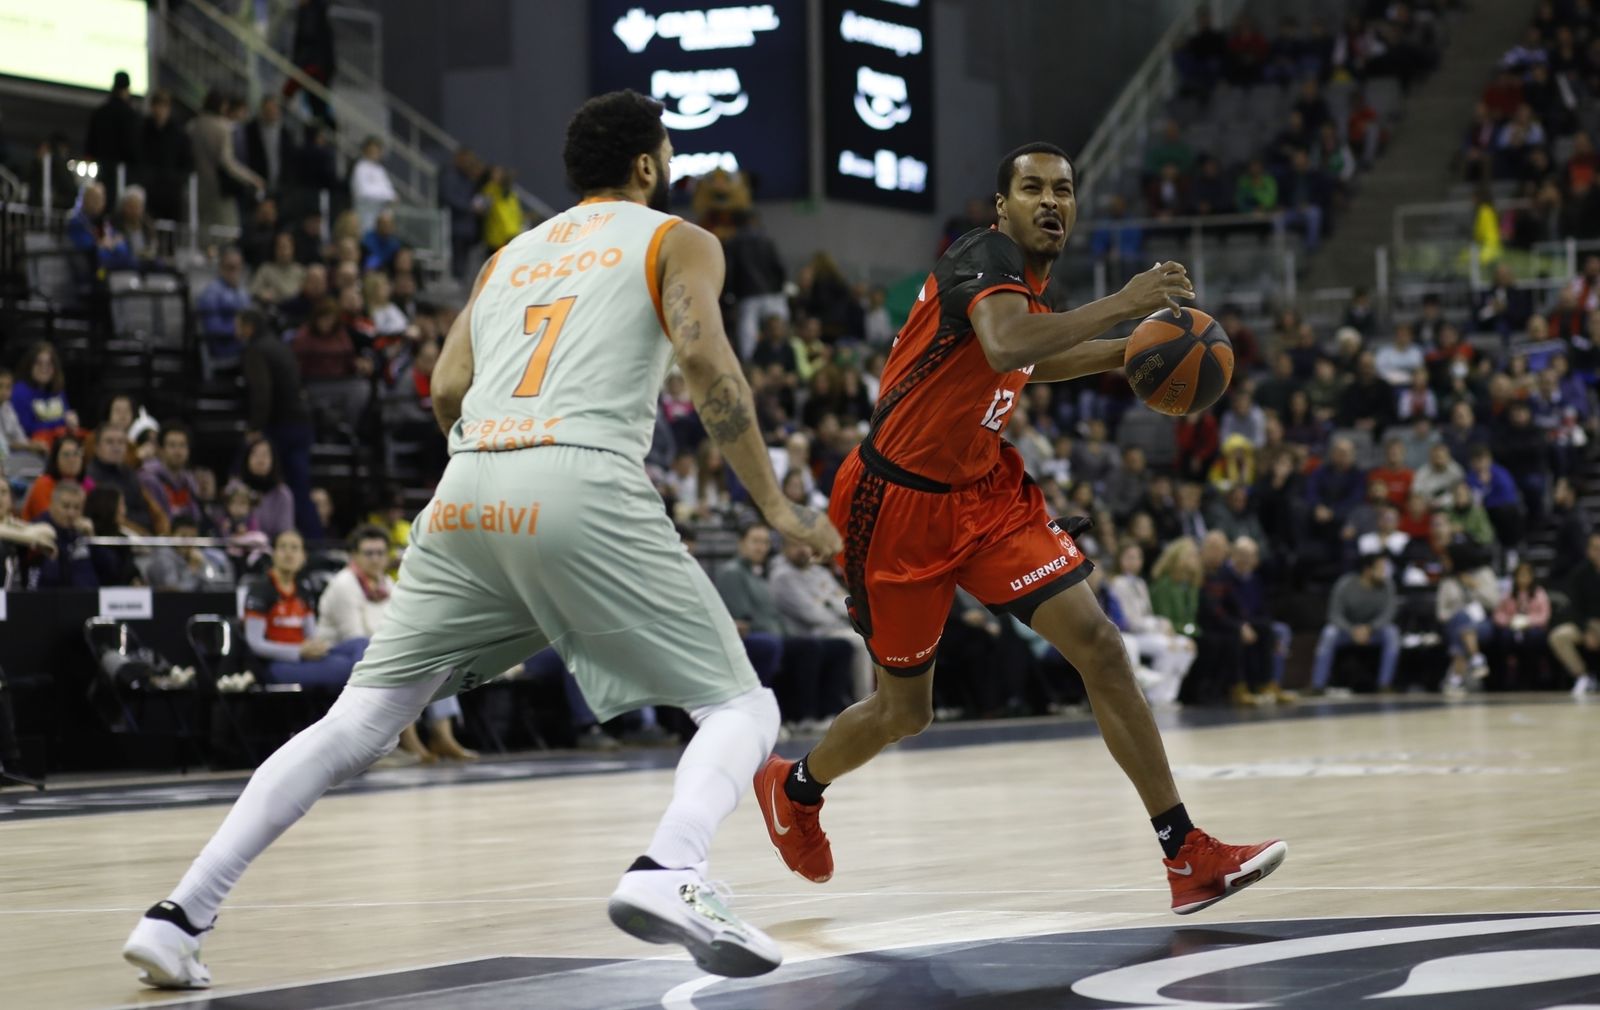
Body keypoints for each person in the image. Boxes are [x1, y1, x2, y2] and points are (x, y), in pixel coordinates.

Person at [123, 90, 844, 987]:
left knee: (358, 722)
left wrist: (504, 455)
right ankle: (674, 869)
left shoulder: (506, 257)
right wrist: (776, 504)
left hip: (468, 487)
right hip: (579, 478)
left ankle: (178, 914)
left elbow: (443, 387)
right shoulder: (677, 239)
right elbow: (705, 362)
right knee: (743, 709)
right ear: (649, 167)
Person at [756, 144, 1285, 913]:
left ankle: (1185, 853)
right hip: (896, 507)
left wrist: (1136, 358)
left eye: (1062, 190)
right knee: (905, 711)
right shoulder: (984, 254)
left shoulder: (1028, 282)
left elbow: (1029, 364)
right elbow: (1007, 343)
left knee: (1100, 645)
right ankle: (795, 788)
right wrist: (1128, 306)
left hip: (984, 492)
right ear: (1001, 205)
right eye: (1032, 187)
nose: (1050, 200)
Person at [315, 525, 477, 762]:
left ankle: (442, 736)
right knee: (403, 661)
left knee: (435, 657)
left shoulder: (387, 584)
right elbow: (354, 636)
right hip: (340, 654)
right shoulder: (344, 584)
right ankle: (409, 739)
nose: (375, 559)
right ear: (355, 556)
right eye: (369, 553)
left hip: (378, 648)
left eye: (380, 553)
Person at [239, 310, 319, 539]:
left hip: (282, 425)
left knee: (275, 483)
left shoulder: (256, 349)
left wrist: (255, 427)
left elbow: (262, 392)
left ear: (248, 327)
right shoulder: (280, 345)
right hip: (302, 423)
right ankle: (313, 540)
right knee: (300, 488)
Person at [1106, 542, 1196, 705]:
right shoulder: (1118, 583)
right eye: (1130, 557)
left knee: (1186, 645)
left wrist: (1162, 624)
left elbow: (1147, 613)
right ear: (1120, 560)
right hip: (1132, 635)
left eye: (1138, 557)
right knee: (1168, 647)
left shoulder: (1140, 583)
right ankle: (1156, 696)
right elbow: (1128, 620)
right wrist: (1157, 625)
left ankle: (1169, 695)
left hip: (1147, 632)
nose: (1135, 561)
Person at [1310, 552, 1400, 693]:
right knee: (1329, 633)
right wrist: (1352, 630)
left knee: (1392, 633)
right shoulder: (1345, 584)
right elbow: (1334, 614)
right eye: (1381, 568)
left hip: (1373, 632)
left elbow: (1388, 614)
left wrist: (1369, 628)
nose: (1384, 572)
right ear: (1368, 570)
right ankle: (1317, 685)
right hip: (1347, 631)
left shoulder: (1388, 585)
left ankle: (1384, 684)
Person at [190, 90, 264, 240]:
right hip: (219, 188)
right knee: (229, 231)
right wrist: (252, 178)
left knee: (202, 229)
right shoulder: (222, 128)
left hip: (196, 185)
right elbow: (228, 162)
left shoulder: (192, 126)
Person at [1548, 532, 1600, 697]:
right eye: (1596, 549)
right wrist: (1587, 629)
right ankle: (1583, 677)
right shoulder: (1579, 574)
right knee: (1558, 636)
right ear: (1588, 551)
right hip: (1586, 623)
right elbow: (1575, 607)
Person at [85, 423, 162, 534]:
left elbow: (145, 515)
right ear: (97, 447)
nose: (116, 447)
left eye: (121, 442)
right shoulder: (88, 477)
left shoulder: (130, 475)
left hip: (138, 537)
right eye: (109, 442)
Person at [1489, 561, 1550, 689]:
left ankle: (1532, 678)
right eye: (1520, 575)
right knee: (1504, 637)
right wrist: (1509, 621)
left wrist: (1528, 621)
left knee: (1533, 637)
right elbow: (1498, 614)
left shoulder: (1539, 593)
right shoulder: (1508, 594)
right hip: (1512, 629)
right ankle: (1506, 679)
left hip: (1532, 629)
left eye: (1526, 575)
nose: (1523, 579)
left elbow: (1544, 616)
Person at [23, 481, 96, 589]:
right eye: (66, 506)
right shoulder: (37, 530)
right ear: (52, 505)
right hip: (49, 599)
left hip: (86, 600)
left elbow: (107, 571)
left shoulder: (82, 532)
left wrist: (92, 540)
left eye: (77, 508)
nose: (71, 513)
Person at [84, 71, 142, 205]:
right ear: (127, 89)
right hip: (122, 175)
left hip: (102, 172)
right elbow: (132, 148)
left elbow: (90, 146)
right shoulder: (130, 115)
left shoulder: (100, 113)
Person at [145, 514, 234, 592]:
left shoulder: (196, 555)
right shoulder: (162, 557)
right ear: (172, 535)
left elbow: (210, 587)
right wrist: (192, 569)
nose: (188, 541)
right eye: (183, 536)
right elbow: (173, 593)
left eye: (192, 537)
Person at [11, 342, 77, 445]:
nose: (44, 368)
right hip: (32, 449)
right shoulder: (20, 391)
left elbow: (67, 417)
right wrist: (62, 422)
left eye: (49, 364)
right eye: (39, 363)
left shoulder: (58, 390)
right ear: (30, 366)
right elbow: (26, 428)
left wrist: (72, 421)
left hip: (59, 446)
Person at [139, 424, 202, 527]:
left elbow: (196, 517)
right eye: (172, 445)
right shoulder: (147, 478)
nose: (178, 451)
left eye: (182, 445)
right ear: (161, 450)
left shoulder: (190, 481)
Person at [21, 435, 92, 522]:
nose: (72, 459)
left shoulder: (88, 484)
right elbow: (50, 519)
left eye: (76, 454)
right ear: (55, 459)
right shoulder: (43, 484)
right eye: (66, 455)